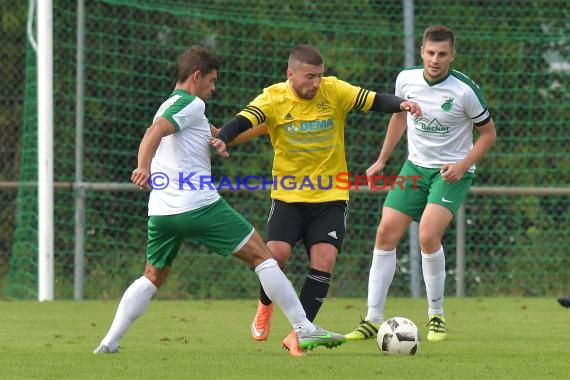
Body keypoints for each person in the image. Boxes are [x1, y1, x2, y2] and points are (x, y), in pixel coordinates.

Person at [92, 45, 346, 357]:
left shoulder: (171, 106)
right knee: (264, 257)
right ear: (196, 77)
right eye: (211, 81)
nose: (213, 88)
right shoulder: (191, 103)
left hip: (161, 212)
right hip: (198, 205)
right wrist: (142, 166)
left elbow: (220, 134)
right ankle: (305, 328)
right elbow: (154, 132)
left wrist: (273, 123)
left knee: (152, 276)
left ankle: (109, 342)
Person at [210, 44, 422, 356]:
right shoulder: (274, 97)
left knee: (324, 261)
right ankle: (265, 306)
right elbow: (245, 119)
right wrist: (223, 137)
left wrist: (402, 104)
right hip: (288, 197)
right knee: (275, 256)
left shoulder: (334, 90)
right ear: (290, 74)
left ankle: (300, 334)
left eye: (319, 76)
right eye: (310, 76)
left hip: (331, 196)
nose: (316, 82)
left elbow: (373, 100)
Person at [344, 25, 497, 342]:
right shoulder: (406, 79)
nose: (435, 59)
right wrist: (383, 159)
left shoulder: (464, 91)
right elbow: (399, 116)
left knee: (428, 234)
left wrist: (462, 164)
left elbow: (488, 134)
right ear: (422, 52)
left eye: (442, 54)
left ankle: (436, 315)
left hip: (450, 172)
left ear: (451, 55)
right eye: (430, 53)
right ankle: (372, 319)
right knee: (385, 232)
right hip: (414, 167)